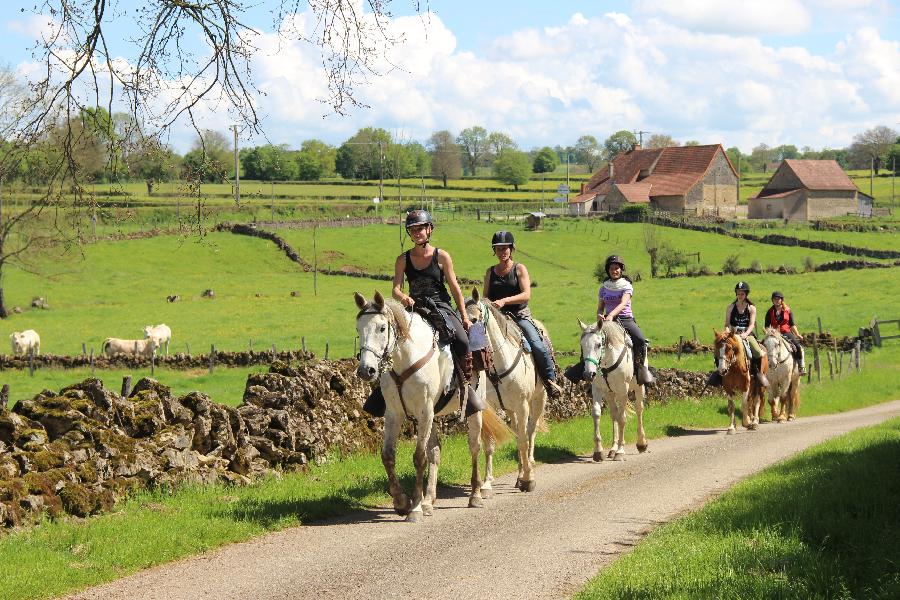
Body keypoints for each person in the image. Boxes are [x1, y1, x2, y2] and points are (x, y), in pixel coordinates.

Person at [392, 209, 474, 386]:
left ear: (429, 229)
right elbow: (395, 290)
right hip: (415, 307)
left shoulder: (442, 256)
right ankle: (387, 390)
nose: (417, 233)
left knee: (462, 340)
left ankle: (466, 385)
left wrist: (465, 317)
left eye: (420, 228)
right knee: (392, 342)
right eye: (413, 230)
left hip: (440, 305)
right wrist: (403, 297)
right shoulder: (402, 259)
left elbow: (455, 289)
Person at [482, 230, 562, 399]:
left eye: (505, 248)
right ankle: (478, 386)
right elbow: (485, 297)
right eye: (498, 249)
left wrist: (504, 301)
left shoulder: (519, 269)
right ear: (494, 250)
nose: (502, 252)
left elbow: (526, 295)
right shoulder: (490, 272)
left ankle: (550, 380)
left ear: (511, 249)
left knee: (537, 344)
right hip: (498, 318)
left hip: (519, 315)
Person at [569, 255, 655, 385]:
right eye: (611, 269)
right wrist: (599, 315)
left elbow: (623, 303)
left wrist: (611, 315)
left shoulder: (627, 286)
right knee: (589, 338)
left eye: (616, 268)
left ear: (621, 270)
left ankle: (641, 371)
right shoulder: (604, 288)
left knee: (641, 340)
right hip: (608, 321)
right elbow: (600, 308)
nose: (614, 271)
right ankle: (584, 369)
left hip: (625, 319)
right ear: (608, 271)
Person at [725, 281, 769, 386]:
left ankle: (758, 373)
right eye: (738, 293)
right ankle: (720, 372)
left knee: (758, 352)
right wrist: (727, 331)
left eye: (742, 294)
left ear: (746, 294)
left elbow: (752, 324)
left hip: (747, 333)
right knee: (722, 349)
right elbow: (727, 323)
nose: (740, 296)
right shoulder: (730, 307)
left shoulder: (751, 308)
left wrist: (746, 334)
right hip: (733, 334)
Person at [764, 290, 806, 375]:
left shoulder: (788, 310)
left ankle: (801, 366)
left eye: (778, 299)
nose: (776, 300)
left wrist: (797, 334)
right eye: (774, 299)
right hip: (774, 334)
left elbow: (792, 324)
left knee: (797, 346)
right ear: (772, 300)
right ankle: (763, 368)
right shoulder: (769, 312)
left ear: (781, 300)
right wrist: (769, 331)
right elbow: (766, 326)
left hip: (786, 332)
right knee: (763, 347)